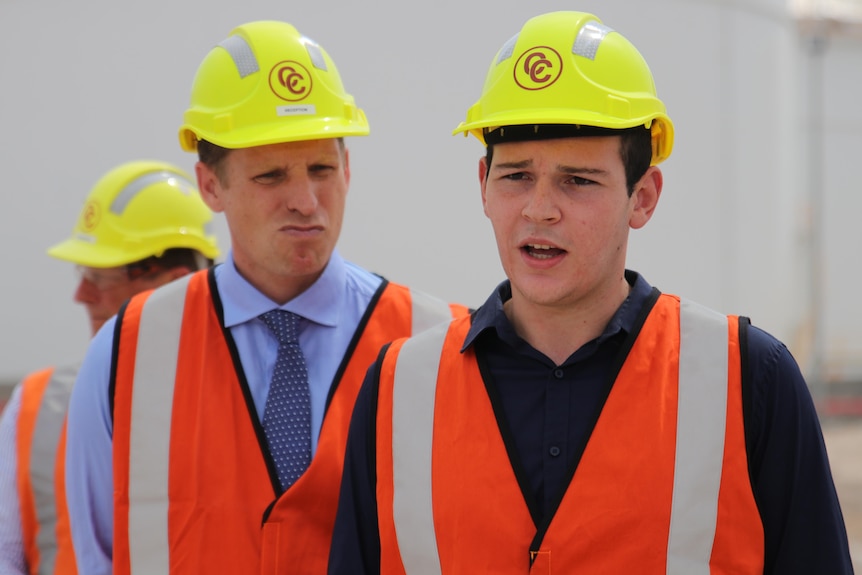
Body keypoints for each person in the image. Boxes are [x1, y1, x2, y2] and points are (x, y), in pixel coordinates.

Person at [328, 11, 855, 574]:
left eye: (578, 181)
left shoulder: (750, 380)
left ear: (644, 197)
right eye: (516, 176)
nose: (539, 209)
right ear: (482, 185)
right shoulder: (398, 389)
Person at [64, 19, 469, 575]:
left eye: (322, 168)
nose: (305, 200)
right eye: (271, 176)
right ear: (210, 186)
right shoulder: (124, 356)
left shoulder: (443, 343)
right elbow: (94, 558)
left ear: (348, 169)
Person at [0, 160, 219, 575]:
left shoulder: (250, 400)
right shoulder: (34, 406)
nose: (81, 294)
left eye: (100, 277)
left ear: (171, 284)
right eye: (83, 273)